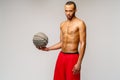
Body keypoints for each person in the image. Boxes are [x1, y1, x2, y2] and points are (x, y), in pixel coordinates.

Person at [38, 1, 86, 80]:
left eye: (70, 11)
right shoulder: (62, 24)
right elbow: (62, 43)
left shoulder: (80, 23)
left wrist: (79, 62)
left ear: (75, 10)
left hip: (73, 57)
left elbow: (83, 43)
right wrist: (48, 49)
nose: (68, 13)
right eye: (66, 11)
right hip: (61, 56)